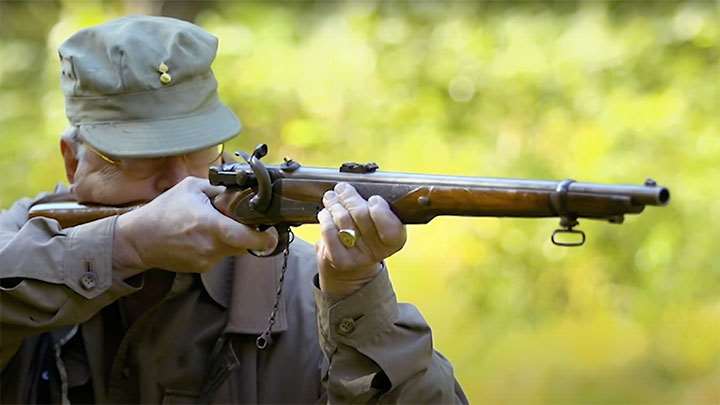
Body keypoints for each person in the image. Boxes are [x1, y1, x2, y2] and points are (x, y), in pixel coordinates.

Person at [0, 15, 467, 404]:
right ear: (72, 160)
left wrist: (358, 296)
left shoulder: (303, 288)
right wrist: (127, 246)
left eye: (200, 152)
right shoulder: (30, 237)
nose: (180, 185)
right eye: (141, 159)